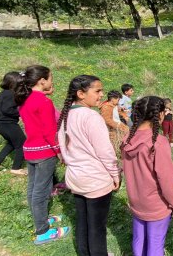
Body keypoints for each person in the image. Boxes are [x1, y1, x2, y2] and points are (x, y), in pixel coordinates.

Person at [57, 75, 120, 256]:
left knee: (83, 221)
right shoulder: (91, 116)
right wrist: (115, 174)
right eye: (97, 91)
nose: (101, 95)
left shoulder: (66, 114)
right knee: (97, 227)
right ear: (81, 94)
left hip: (75, 177)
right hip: (95, 179)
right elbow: (105, 152)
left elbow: (62, 146)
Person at [14, 65, 70, 245]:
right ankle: (42, 231)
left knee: (33, 188)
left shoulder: (24, 99)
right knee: (41, 191)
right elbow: (49, 131)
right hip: (44, 151)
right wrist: (60, 152)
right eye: (51, 78)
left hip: (29, 150)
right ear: (42, 81)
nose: (52, 81)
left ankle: (41, 218)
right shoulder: (43, 101)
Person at [121, 96, 173, 256]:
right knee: (155, 243)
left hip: (136, 201)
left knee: (139, 239)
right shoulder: (158, 142)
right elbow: (167, 180)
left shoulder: (127, 139)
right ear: (160, 114)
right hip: (156, 204)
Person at [0, 71, 27, 175]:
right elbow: (7, 110)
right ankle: (16, 168)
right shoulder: (11, 94)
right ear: (14, 83)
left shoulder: (2, 93)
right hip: (8, 124)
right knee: (22, 143)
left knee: (11, 143)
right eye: (20, 84)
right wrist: (20, 112)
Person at [99, 90, 129, 155]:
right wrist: (118, 126)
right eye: (118, 100)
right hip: (111, 130)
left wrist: (124, 116)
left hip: (117, 126)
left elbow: (119, 111)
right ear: (112, 99)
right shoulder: (106, 107)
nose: (118, 101)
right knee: (114, 144)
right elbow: (107, 120)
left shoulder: (114, 105)